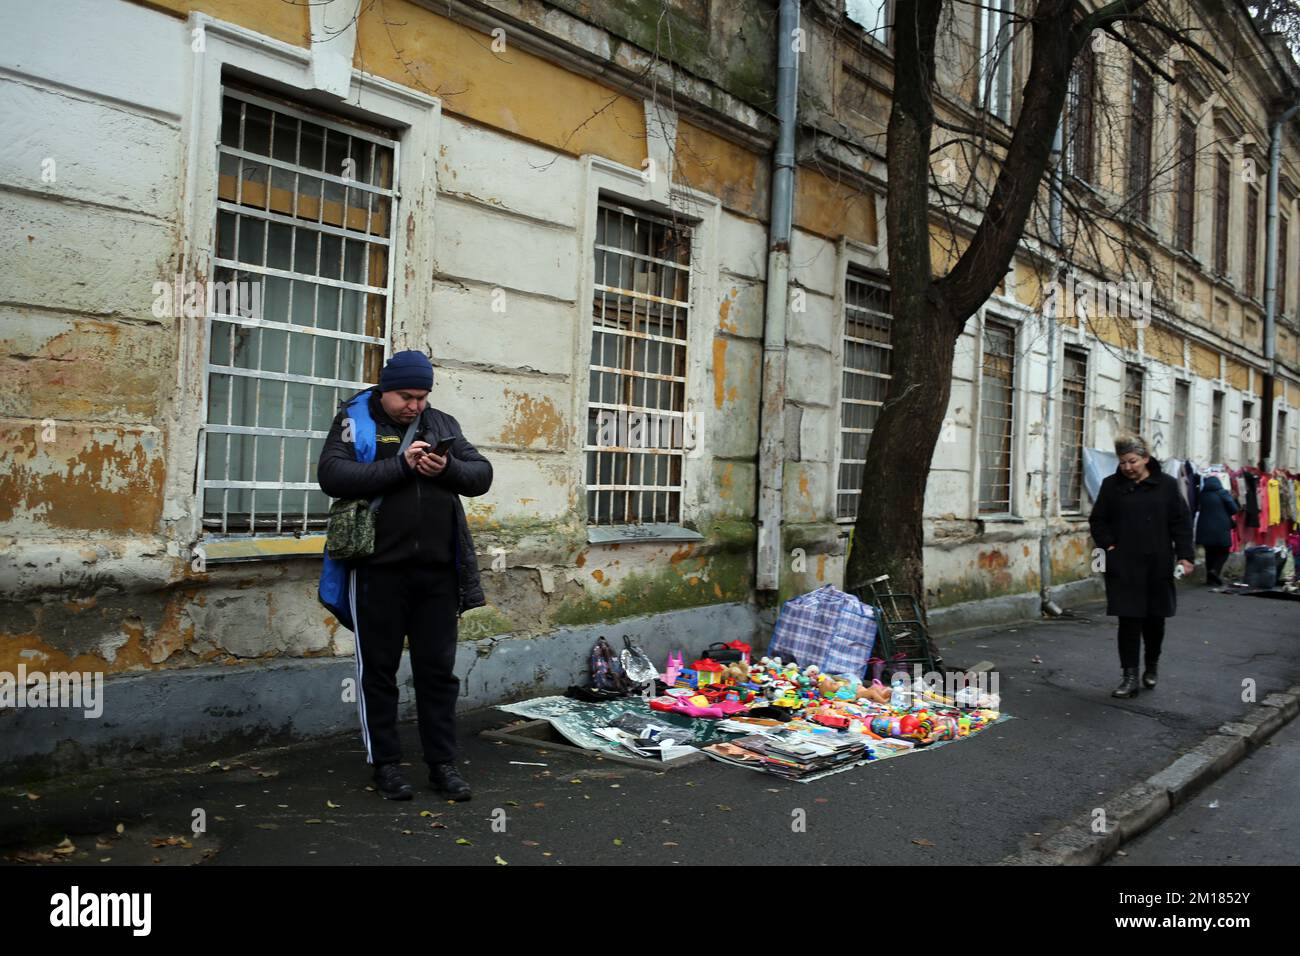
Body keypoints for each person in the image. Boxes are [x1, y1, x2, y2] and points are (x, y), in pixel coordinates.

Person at [317, 350, 492, 801]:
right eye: (405, 397)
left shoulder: (443, 424)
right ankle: (387, 767)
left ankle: (443, 766)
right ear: (384, 389)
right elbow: (332, 475)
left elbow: (481, 475)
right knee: (379, 672)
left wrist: (447, 468)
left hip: (437, 575)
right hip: (376, 571)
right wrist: (402, 466)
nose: (415, 406)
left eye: (422, 396)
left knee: (438, 674)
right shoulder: (354, 421)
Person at [1088, 435, 1194, 698]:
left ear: (1146, 458)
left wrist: (1185, 556)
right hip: (1124, 565)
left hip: (1158, 565)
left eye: (1132, 461)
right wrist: (1109, 546)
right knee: (1129, 621)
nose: (1127, 467)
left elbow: (1180, 523)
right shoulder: (1111, 486)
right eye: (1123, 462)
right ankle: (1129, 677)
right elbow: (1098, 520)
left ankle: (1152, 665)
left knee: (1154, 622)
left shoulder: (1167, 486)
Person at [1194, 476, 1238, 586]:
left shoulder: (1202, 495)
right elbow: (1234, 509)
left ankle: (1209, 579)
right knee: (1224, 551)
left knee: (1209, 552)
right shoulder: (1222, 493)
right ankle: (1215, 571)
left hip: (1204, 527)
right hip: (1220, 527)